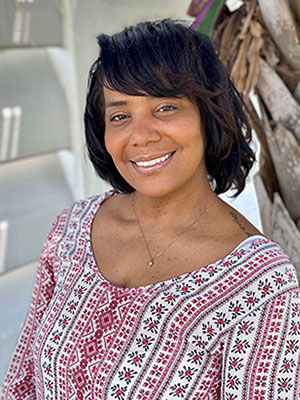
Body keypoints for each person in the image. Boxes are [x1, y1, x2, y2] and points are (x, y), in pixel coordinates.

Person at [2, 19, 300, 400]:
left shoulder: (260, 283)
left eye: (165, 108)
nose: (140, 135)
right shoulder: (72, 229)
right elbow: (21, 384)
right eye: (120, 115)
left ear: (208, 116)